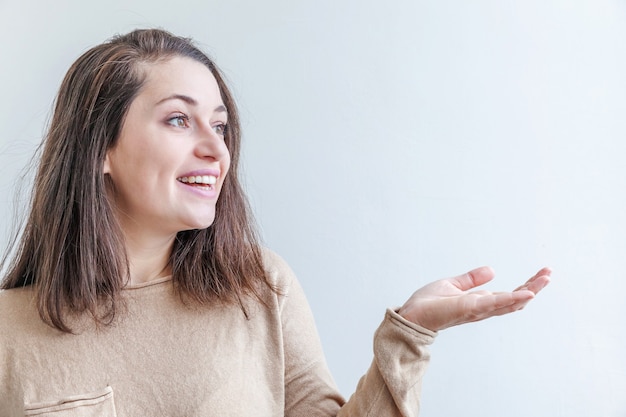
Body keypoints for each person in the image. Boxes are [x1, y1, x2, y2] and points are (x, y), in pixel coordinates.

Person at [0, 29, 550, 416]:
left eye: (220, 126)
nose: (216, 148)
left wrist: (409, 332)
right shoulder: (9, 331)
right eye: (178, 119)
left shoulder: (260, 287)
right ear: (101, 148)